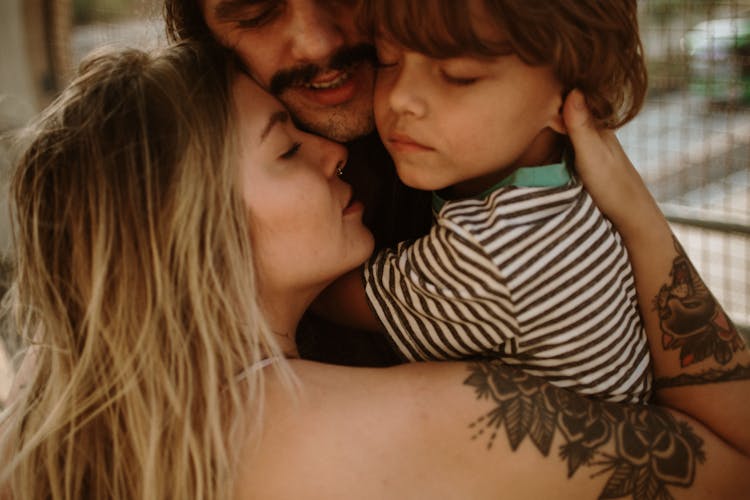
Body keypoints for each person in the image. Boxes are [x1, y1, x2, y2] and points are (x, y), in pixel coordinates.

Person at [1, 42, 748, 500]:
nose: (333, 153)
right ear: (190, 230)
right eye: (287, 150)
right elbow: (736, 468)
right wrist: (637, 215)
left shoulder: (42, 442)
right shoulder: (431, 423)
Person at [314, 0, 652, 404]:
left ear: (570, 102)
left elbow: (327, 298)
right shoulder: (566, 184)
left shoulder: (500, 248)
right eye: (387, 61)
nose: (401, 97)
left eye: (459, 76)